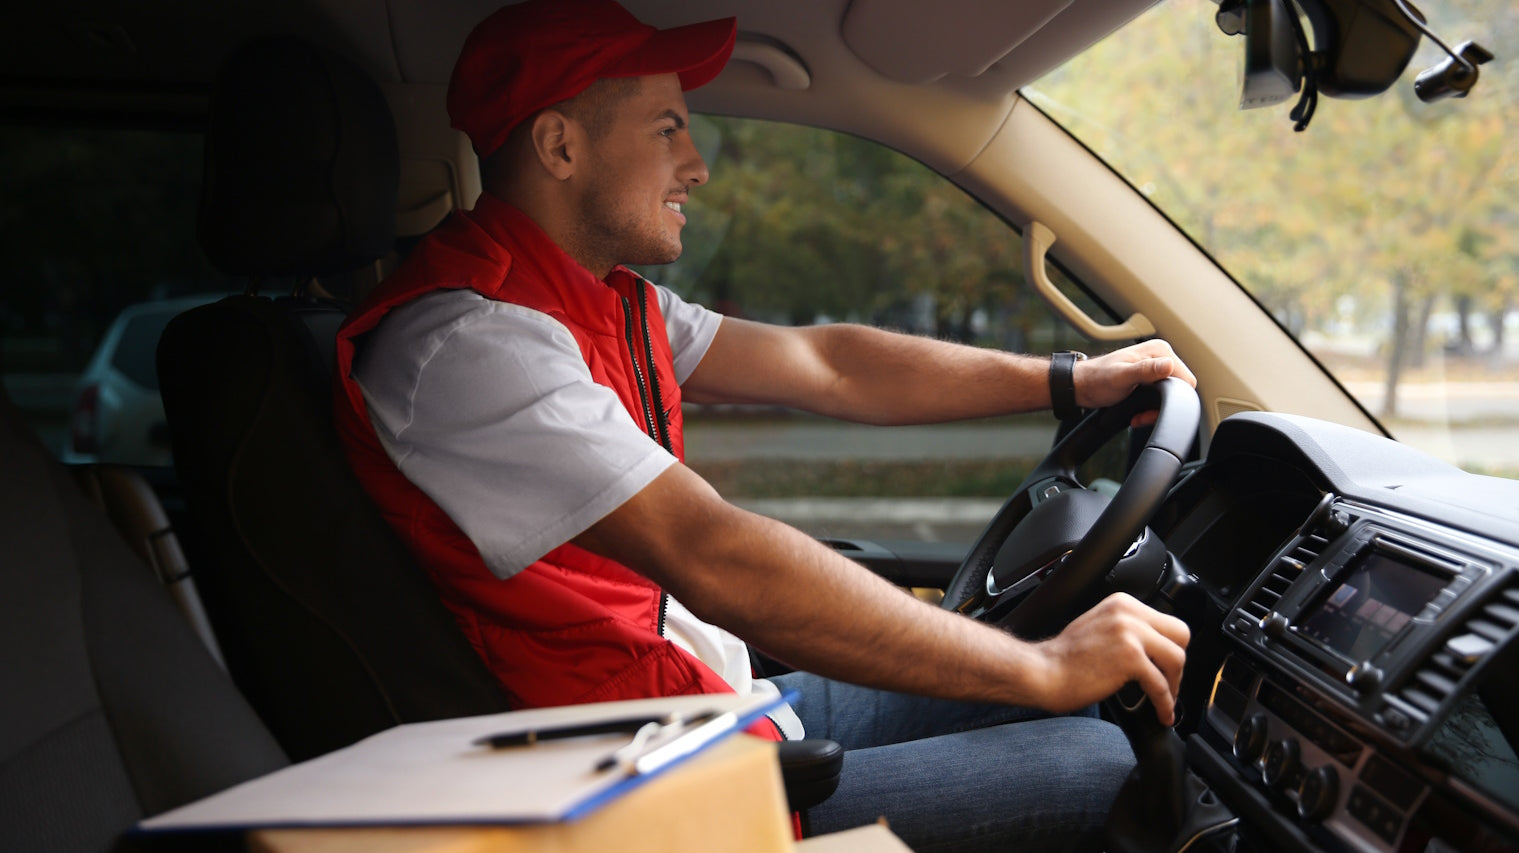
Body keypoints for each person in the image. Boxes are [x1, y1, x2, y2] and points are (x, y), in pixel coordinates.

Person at [332, 1, 1195, 849]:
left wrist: (1073, 380)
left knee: (1069, 683)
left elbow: (831, 366)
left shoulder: (592, 300)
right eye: (666, 127)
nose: (696, 163)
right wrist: (1042, 666)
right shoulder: (470, 345)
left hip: (704, 710)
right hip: (644, 792)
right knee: (1093, 753)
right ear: (560, 144)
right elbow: (714, 554)